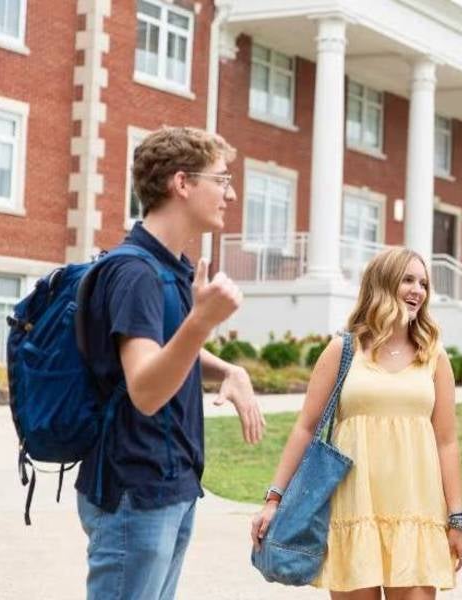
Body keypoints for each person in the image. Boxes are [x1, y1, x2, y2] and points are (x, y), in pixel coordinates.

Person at [75, 126, 266, 600]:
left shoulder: (168, 267)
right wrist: (201, 321)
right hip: (135, 491)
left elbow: (166, 348)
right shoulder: (134, 272)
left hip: (169, 485)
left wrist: (228, 370)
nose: (230, 194)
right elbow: (145, 389)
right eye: (221, 180)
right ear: (182, 183)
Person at [251, 247, 462, 599]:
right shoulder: (344, 349)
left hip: (416, 511)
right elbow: (306, 427)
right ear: (382, 284)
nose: (418, 290)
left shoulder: (434, 355)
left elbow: (447, 441)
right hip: (354, 510)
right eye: (408, 280)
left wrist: (457, 518)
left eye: (423, 283)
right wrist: (274, 498)